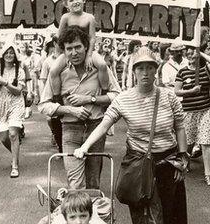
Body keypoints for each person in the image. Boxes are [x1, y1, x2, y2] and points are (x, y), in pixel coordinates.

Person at [74, 46, 188, 224]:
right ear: (134, 71)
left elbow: (180, 126)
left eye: (150, 68)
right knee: (142, 215)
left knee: (171, 213)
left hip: (168, 162)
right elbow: (104, 125)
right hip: (139, 164)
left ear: (155, 70)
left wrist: (182, 157)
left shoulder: (168, 96)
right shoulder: (123, 99)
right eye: (140, 68)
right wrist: (84, 147)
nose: (145, 73)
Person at [38, 26, 121, 190]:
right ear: (64, 51)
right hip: (70, 129)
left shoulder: (98, 68)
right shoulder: (59, 72)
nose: (74, 53)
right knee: (75, 184)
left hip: (96, 128)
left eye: (78, 47)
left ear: (85, 47)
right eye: (69, 49)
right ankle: (77, 213)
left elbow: (117, 95)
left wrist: (90, 99)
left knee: (93, 183)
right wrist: (69, 110)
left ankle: (92, 214)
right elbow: (43, 106)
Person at [50, 0, 109, 97]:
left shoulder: (90, 18)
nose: (75, 2)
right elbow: (59, 37)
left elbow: (92, 38)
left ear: (84, 1)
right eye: (71, 0)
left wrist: (89, 56)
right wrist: (64, 55)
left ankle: (105, 91)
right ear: (66, 4)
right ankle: (57, 97)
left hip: (87, 50)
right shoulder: (65, 17)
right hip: (69, 51)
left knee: (102, 65)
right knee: (53, 70)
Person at [0, 42, 25, 178]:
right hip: (0, 105)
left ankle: (14, 165)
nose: (9, 55)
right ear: (2, 55)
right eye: (7, 52)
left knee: (13, 134)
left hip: (15, 104)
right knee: (3, 138)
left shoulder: (19, 70)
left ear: (15, 55)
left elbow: (19, 90)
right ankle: (15, 153)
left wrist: (6, 83)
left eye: (12, 53)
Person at [175, 47, 210, 186]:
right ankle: (184, 162)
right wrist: (191, 91)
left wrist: (201, 52)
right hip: (189, 112)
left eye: (193, 52)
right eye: (188, 53)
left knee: (206, 142)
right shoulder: (182, 72)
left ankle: (208, 174)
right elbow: (177, 91)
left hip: (205, 111)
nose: (190, 55)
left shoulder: (206, 69)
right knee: (188, 143)